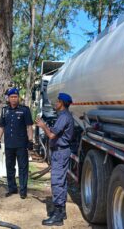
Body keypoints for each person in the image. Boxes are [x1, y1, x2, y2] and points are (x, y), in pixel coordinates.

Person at [35, 93, 74, 226]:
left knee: (57, 182)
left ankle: (58, 217)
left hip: (60, 153)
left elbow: (51, 135)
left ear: (62, 103)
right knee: (61, 182)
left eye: (57, 101)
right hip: (61, 152)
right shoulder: (64, 116)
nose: (55, 104)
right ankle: (61, 211)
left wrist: (43, 125)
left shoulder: (64, 117)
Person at [0, 87, 34, 199]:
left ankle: (23, 190)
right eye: (11, 97)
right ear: (8, 98)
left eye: (15, 97)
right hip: (9, 144)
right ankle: (12, 188)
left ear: (18, 97)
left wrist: (30, 141)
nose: (13, 99)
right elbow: (1, 126)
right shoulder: (4, 110)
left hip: (21, 144)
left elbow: (29, 126)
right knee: (9, 167)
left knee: (23, 168)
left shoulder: (24, 110)